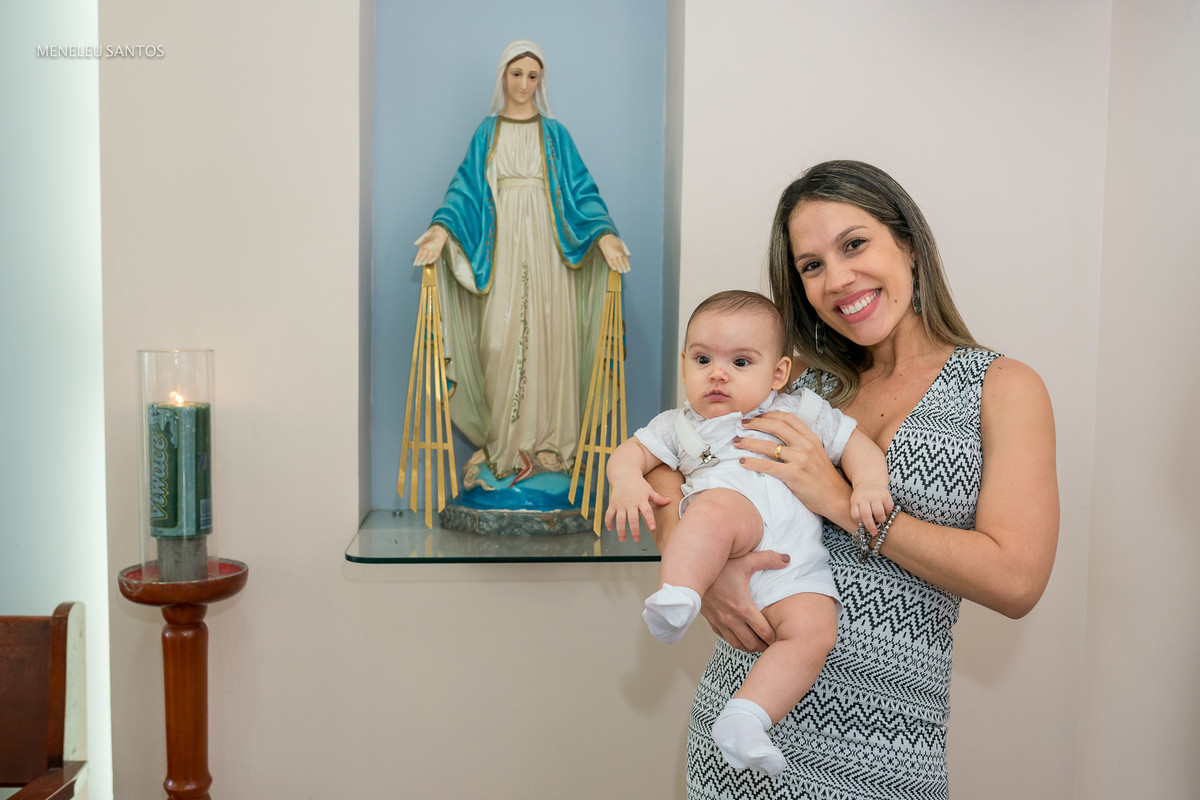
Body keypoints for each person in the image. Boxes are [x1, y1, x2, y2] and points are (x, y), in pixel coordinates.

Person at [647, 161, 1058, 798]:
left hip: (886, 756)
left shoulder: (1001, 388)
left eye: (854, 244)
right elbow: (666, 471)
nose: (838, 279)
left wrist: (841, 502)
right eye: (811, 265)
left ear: (911, 246)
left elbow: (1017, 581)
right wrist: (709, 577)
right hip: (740, 734)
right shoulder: (795, 383)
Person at [605, 290, 893, 776]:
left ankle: (746, 717)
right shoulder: (680, 425)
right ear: (684, 365)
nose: (718, 373)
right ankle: (678, 593)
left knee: (814, 633)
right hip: (731, 525)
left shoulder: (801, 407)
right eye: (702, 359)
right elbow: (629, 454)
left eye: (740, 361)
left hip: (794, 561)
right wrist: (626, 480)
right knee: (714, 512)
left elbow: (856, 444)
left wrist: (867, 484)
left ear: (777, 373)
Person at [412, 39, 631, 489]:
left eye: (533, 76)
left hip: (550, 251)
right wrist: (440, 230)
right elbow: (465, 191)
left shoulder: (555, 135)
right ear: (503, 77)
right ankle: (502, 448)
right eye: (517, 74)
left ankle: (549, 448)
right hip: (502, 244)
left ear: (541, 81)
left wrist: (605, 235)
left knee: (552, 340)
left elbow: (582, 192)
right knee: (497, 341)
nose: (524, 84)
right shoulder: (487, 133)